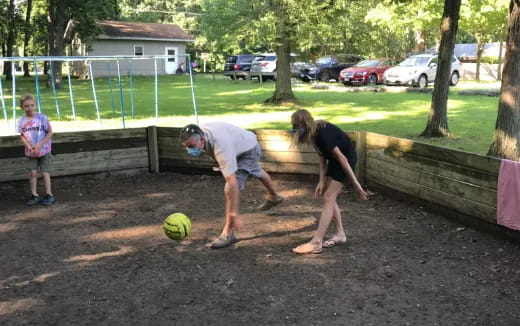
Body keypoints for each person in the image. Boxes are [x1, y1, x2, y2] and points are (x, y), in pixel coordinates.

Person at [180, 122, 283, 249]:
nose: (189, 150)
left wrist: (234, 212)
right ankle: (275, 196)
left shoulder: (221, 146)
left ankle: (228, 233)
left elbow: (232, 182)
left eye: (191, 146)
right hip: (243, 144)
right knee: (255, 170)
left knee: (229, 189)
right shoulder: (202, 134)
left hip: (248, 152)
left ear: (202, 138)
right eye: (186, 147)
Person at [290, 109, 367, 254]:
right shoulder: (312, 134)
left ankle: (316, 241)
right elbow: (322, 157)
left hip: (346, 159)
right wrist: (321, 181)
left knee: (328, 197)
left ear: (304, 124)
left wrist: (356, 185)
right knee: (328, 197)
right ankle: (340, 234)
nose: (295, 130)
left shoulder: (323, 134)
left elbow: (343, 159)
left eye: (297, 126)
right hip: (335, 161)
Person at [17, 94, 55, 206]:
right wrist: (29, 147)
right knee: (32, 173)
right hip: (31, 152)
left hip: (44, 150)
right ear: (22, 107)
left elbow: (50, 132)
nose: (29, 108)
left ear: (35, 105)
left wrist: (40, 144)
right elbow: (22, 135)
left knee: (45, 172)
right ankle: (34, 195)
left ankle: (49, 194)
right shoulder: (21, 121)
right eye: (26, 106)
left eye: (32, 105)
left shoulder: (42, 118)